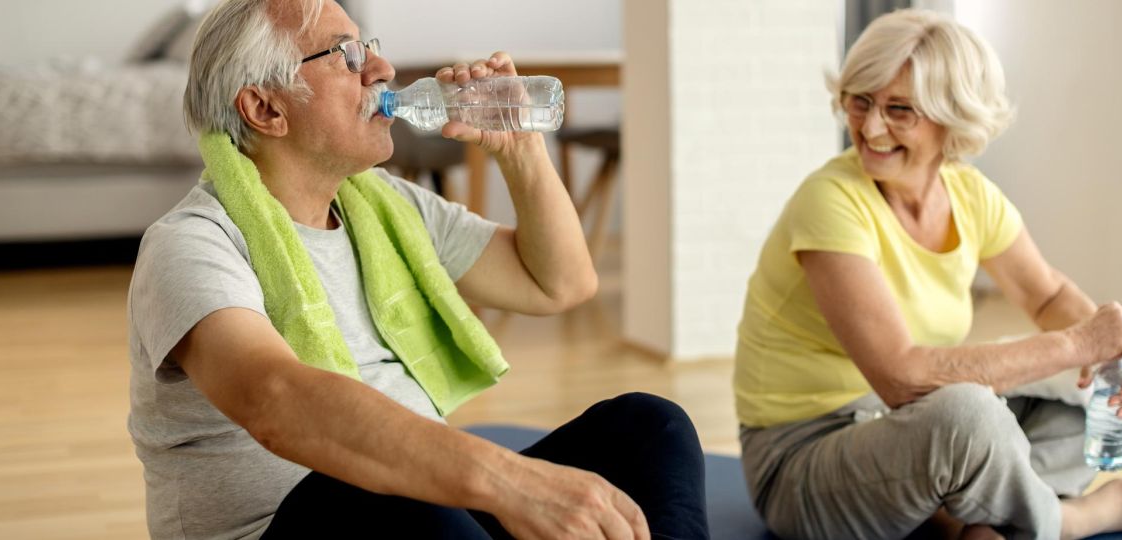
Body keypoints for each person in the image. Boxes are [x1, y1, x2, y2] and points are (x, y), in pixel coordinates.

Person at [126, 0, 710, 538]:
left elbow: (558, 282)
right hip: (299, 524)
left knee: (650, 428)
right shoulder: (192, 244)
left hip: (421, 515)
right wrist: (508, 482)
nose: (382, 67)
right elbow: (274, 399)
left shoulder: (386, 208)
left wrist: (518, 145)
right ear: (265, 108)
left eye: (368, 45)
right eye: (348, 54)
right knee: (392, 491)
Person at [734, 8, 1122, 540]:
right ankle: (1063, 521)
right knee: (968, 415)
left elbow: (1045, 294)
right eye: (860, 102)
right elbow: (901, 377)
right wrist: (1076, 344)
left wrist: (1117, 357)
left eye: (899, 109)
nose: (870, 127)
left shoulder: (970, 195)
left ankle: (964, 519)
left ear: (951, 118)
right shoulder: (829, 201)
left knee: (1081, 401)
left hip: (908, 436)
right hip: (802, 460)